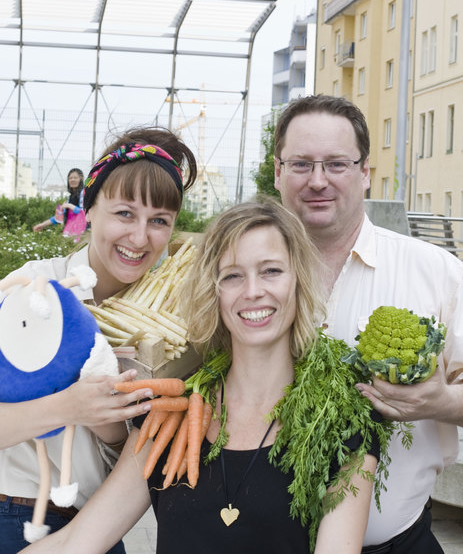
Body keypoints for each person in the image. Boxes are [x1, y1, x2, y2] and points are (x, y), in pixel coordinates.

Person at [18, 198, 386, 554]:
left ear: (299, 281)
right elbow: (74, 543)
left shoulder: (342, 419)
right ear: (214, 291)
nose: (253, 291)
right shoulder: (169, 415)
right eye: (233, 276)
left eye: (271, 271)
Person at [273, 94, 463, 553]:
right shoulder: (243, 277)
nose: (318, 180)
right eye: (301, 164)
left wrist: (439, 402)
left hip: (397, 544)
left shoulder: (435, 272)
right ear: (278, 172)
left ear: (365, 173)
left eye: (336, 164)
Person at [0, 127, 197, 554]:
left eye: (158, 221)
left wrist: (109, 426)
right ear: (88, 210)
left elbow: (137, 462)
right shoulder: (35, 289)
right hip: (11, 516)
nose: (140, 237)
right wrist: (69, 406)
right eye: (124, 213)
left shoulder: (175, 329)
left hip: (98, 530)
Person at [33, 168, 85, 235]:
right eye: (70, 178)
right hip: (71, 231)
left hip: (81, 232)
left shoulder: (83, 194)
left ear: (81, 179)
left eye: (75, 178)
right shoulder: (70, 198)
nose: (72, 180)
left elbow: (83, 212)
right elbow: (59, 217)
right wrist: (42, 225)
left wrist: (69, 206)